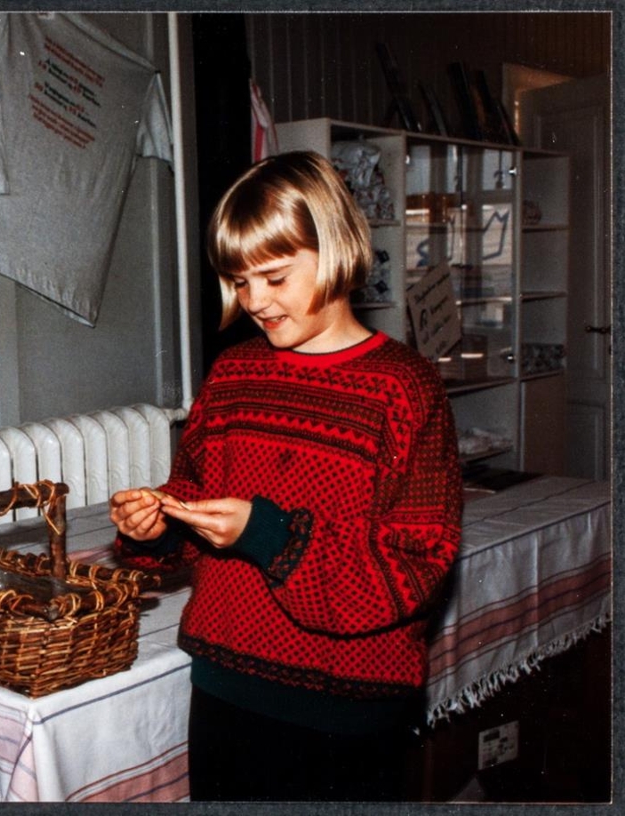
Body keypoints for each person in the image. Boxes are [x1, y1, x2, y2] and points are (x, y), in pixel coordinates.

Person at [110, 151, 462, 802]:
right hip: (226, 687)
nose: (255, 301)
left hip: (349, 706)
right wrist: (160, 523)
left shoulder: (404, 388)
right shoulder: (233, 375)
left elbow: (418, 562)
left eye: (274, 277)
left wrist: (270, 535)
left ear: (337, 250)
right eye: (240, 281)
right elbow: (195, 492)